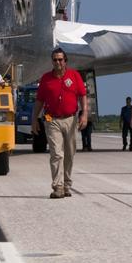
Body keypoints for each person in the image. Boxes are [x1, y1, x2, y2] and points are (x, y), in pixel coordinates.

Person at [31, 49, 88, 198]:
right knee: (56, 153)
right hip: (51, 119)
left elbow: (82, 96)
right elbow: (39, 101)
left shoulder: (74, 76)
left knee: (69, 153)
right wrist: (34, 119)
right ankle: (58, 187)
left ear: (65, 61)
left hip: (70, 118)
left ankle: (67, 184)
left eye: (60, 60)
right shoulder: (46, 79)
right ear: (52, 62)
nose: (58, 62)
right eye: (55, 60)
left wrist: (84, 114)